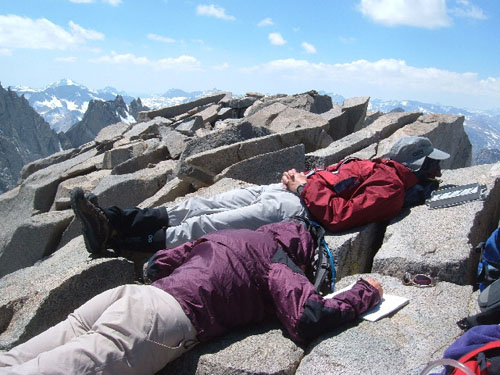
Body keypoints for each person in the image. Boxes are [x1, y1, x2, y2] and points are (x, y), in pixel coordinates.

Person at [0, 220, 383, 375]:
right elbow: (306, 319)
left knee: (16, 358)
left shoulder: (235, 235)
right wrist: (365, 292)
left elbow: (157, 263)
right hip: (159, 323)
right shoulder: (279, 262)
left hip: (128, 297)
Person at [71, 135, 449, 255]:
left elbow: (339, 215)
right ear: (415, 163)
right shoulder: (385, 170)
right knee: (200, 203)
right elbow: (336, 184)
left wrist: (302, 185)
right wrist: (299, 178)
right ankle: (115, 217)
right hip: (293, 192)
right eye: (432, 162)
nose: (436, 167)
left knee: (210, 223)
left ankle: (120, 241)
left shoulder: (392, 188)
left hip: (300, 209)